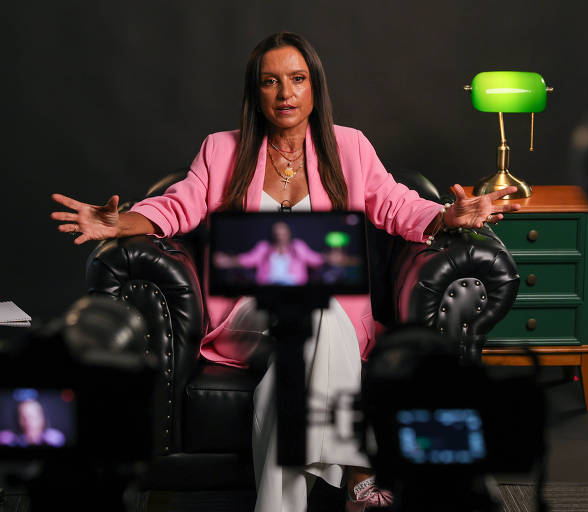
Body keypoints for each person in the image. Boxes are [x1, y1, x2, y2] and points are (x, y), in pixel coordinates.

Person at [50, 31, 520, 511]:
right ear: (256, 93)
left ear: (315, 86)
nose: (285, 94)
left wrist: (446, 216)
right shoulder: (221, 151)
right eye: (270, 82)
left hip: (329, 319)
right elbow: (176, 207)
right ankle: (358, 474)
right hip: (247, 313)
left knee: (311, 330)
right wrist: (119, 221)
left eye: (297, 79)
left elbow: (397, 205)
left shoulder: (350, 147)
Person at [214, 221, 325, 286]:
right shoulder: (264, 247)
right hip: (269, 286)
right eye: (277, 233)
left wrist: (331, 258)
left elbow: (315, 259)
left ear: (289, 233)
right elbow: (247, 260)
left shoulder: (297, 246)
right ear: (273, 234)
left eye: (283, 233)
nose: (280, 236)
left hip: (294, 287)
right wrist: (228, 260)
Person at [0, 398, 66, 448]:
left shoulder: (55, 438)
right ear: (18, 420)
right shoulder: (8, 439)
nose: (28, 422)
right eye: (23, 417)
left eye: (33, 416)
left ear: (42, 418)